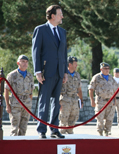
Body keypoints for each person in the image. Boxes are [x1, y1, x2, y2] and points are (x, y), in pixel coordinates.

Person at [32, 5, 68, 139]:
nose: (62, 16)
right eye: (60, 14)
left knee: (56, 103)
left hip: (59, 72)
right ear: (52, 16)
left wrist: (65, 72)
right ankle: (41, 129)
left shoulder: (62, 32)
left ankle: (54, 129)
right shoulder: (40, 30)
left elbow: (64, 53)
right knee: (44, 101)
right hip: (46, 71)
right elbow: (35, 52)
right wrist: (37, 71)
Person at [4, 55, 34, 136]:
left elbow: (31, 92)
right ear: (18, 63)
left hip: (26, 105)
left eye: (26, 62)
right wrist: (7, 105)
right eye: (23, 61)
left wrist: (29, 103)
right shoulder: (12, 75)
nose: (25, 63)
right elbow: (6, 90)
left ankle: (22, 148)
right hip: (15, 105)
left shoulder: (30, 76)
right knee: (14, 129)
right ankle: (12, 148)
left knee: (23, 129)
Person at [89, 62, 117, 136]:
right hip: (100, 102)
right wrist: (92, 100)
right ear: (101, 69)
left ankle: (107, 133)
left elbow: (114, 90)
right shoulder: (97, 77)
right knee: (100, 120)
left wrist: (114, 100)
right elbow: (91, 89)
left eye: (108, 68)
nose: (107, 70)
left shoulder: (111, 78)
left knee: (109, 120)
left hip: (110, 102)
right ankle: (100, 134)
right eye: (105, 68)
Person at [59, 56, 83, 134]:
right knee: (63, 122)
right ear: (70, 64)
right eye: (75, 64)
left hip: (74, 100)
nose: (76, 65)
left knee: (72, 122)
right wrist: (58, 102)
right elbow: (57, 89)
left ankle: (70, 139)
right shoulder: (62, 74)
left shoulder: (77, 75)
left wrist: (81, 101)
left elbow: (79, 89)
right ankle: (62, 141)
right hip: (65, 100)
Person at [113, 68, 119, 135]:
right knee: (110, 114)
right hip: (113, 99)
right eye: (116, 72)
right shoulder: (111, 80)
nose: (117, 73)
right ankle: (107, 129)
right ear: (114, 73)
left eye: (118, 72)